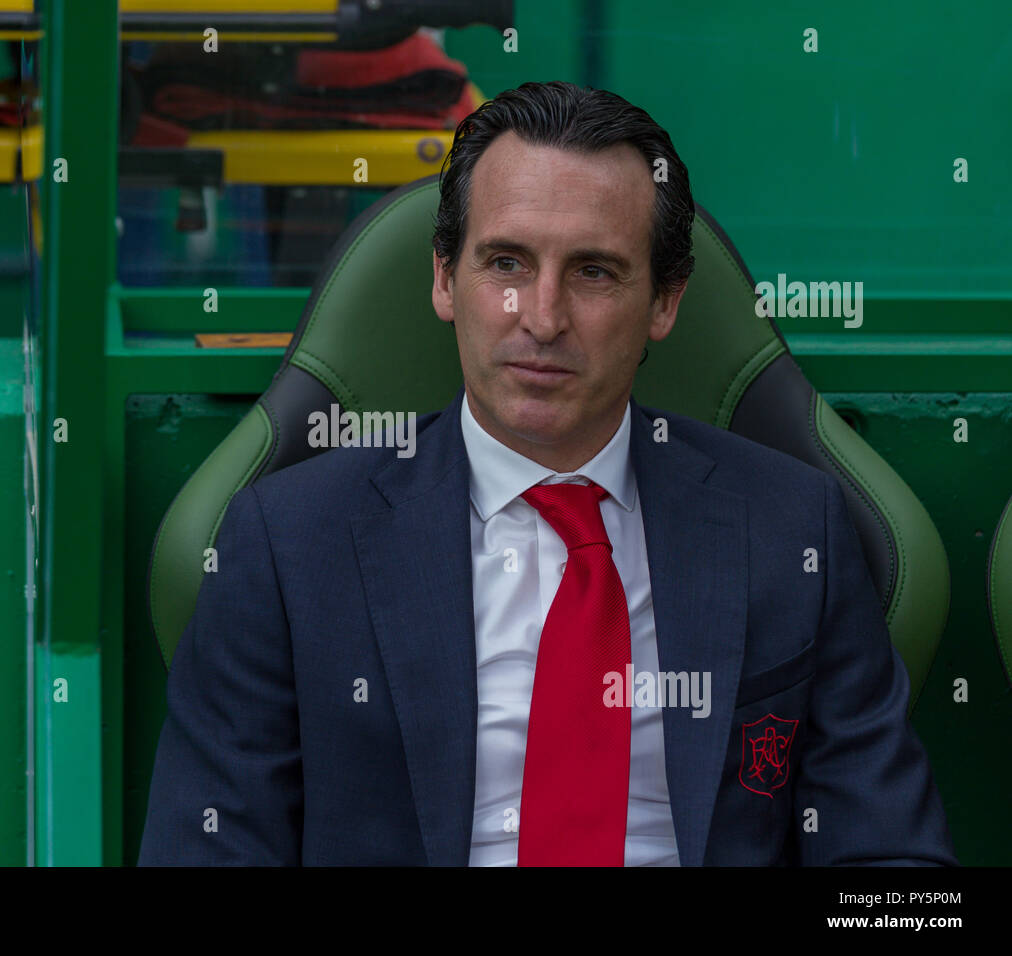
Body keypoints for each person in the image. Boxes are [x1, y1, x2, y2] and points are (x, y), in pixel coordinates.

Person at [138, 81, 956, 866]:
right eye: (506, 263)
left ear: (665, 303)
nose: (542, 316)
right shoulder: (286, 545)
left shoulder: (792, 529)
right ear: (443, 278)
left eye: (594, 272)